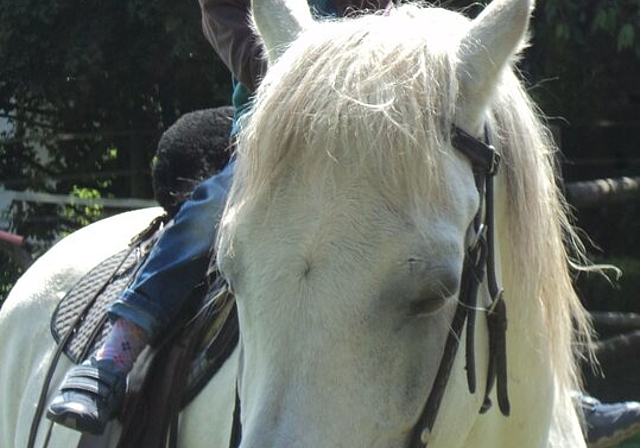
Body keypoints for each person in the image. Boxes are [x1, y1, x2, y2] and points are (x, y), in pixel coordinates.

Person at [46, 0, 640, 444]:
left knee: (501, 195)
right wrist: (301, 81)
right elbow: (226, 14)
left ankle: (550, 390)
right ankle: (118, 347)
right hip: (292, 132)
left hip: (397, 130)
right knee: (212, 214)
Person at [45, 0, 392, 436]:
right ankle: (116, 350)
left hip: (363, 150)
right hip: (273, 148)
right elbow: (242, 45)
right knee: (210, 212)